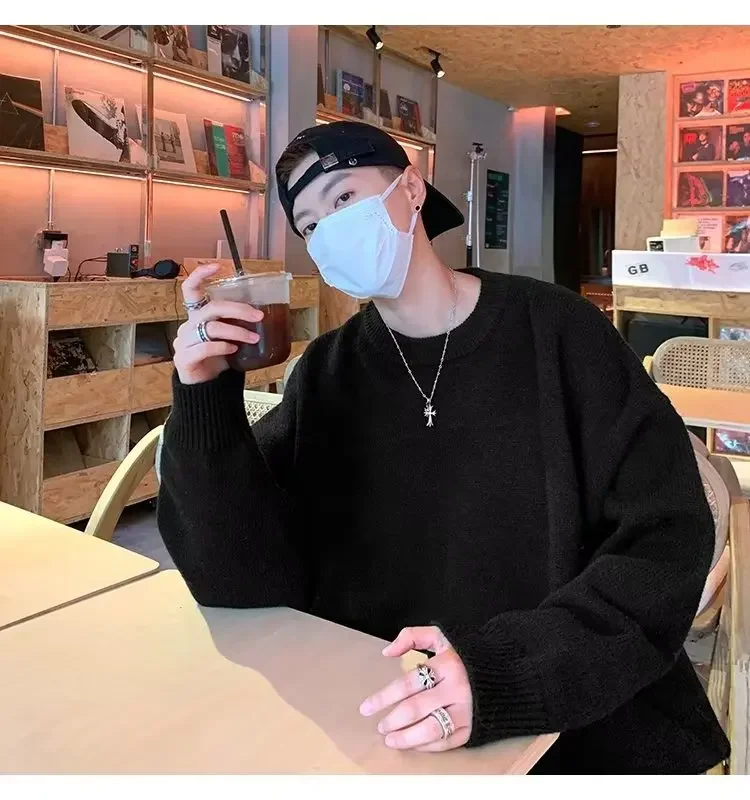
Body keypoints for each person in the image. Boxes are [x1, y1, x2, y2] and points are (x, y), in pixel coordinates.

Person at [158, 121, 730, 774]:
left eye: (343, 199)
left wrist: (511, 672)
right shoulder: (326, 374)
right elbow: (235, 579)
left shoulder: (560, 332)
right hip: (386, 718)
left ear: (410, 188)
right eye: (310, 225)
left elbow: (666, 534)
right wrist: (203, 394)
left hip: (570, 719)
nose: (330, 231)